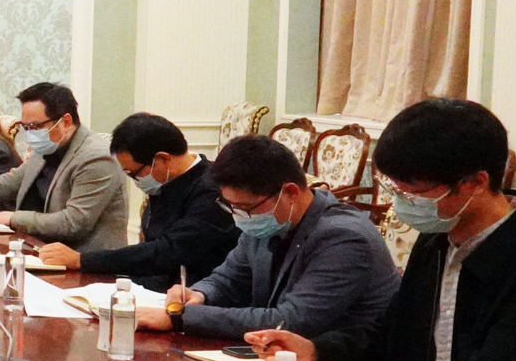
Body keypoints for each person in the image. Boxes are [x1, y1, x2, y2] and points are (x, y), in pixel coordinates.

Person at [248, 99, 516, 361]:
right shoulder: (437, 240)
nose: (403, 203)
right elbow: (390, 336)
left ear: (476, 182)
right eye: (396, 189)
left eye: (415, 192)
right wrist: (317, 351)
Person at [136, 134, 397, 338]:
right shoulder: (268, 220)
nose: (239, 216)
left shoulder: (344, 238)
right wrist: (198, 294)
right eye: (231, 206)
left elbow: (292, 320)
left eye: (245, 207)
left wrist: (181, 318)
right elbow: (228, 279)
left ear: (290, 192)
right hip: (275, 355)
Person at [39, 112, 238, 291]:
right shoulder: (166, 181)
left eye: (134, 173)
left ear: (162, 159)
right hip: (153, 286)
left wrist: (81, 260)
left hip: (193, 294)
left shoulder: (213, 192)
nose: (135, 180)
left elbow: (167, 252)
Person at [0, 82, 127, 252]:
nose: (30, 135)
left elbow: (73, 222)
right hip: (38, 249)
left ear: (66, 122)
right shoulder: (48, 147)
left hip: (85, 262)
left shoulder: (96, 157)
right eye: (25, 127)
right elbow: (6, 183)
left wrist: (13, 218)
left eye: (35, 127)